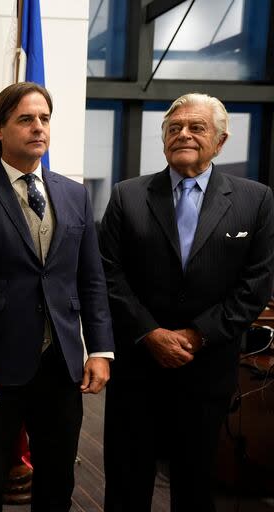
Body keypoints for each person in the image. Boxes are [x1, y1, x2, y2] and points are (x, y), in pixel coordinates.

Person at [0, 82, 114, 512]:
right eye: (25, 119)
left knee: (58, 480)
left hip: (62, 366)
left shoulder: (75, 195)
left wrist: (101, 350)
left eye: (44, 119)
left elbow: (91, 280)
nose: (38, 128)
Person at [99, 93, 274, 511]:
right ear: (163, 139)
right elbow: (107, 273)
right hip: (138, 366)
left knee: (195, 485)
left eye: (197, 127)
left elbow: (257, 282)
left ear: (220, 140)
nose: (184, 134)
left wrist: (198, 335)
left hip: (207, 368)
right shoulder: (127, 196)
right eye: (174, 128)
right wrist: (149, 332)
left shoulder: (256, 200)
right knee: (127, 481)